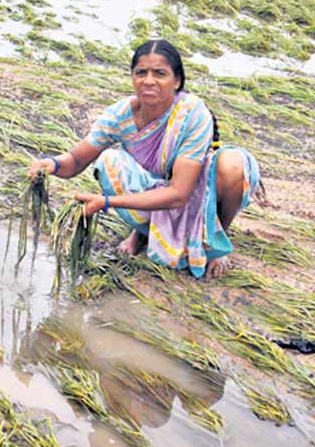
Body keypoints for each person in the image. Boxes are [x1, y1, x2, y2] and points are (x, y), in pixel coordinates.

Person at [27, 39, 262, 279]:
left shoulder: (193, 115)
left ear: (177, 81)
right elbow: (76, 160)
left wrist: (106, 202)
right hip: (152, 186)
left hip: (195, 191)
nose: (148, 81)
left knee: (233, 165)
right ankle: (143, 231)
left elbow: (179, 193)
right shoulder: (120, 115)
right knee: (109, 160)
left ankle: (214, 238)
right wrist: (52, 164)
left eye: (159, 73)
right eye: (141, 73)